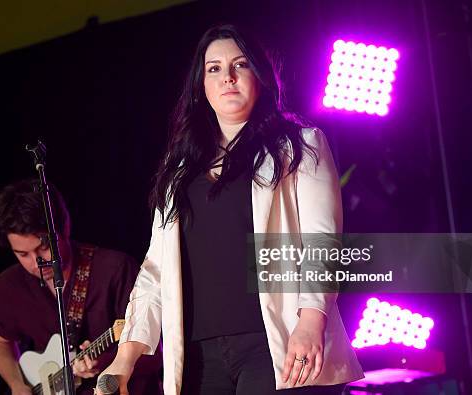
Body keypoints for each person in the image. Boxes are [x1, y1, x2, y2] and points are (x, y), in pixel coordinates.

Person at [96, 24, 364, 395]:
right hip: (199, 358)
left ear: (261, 76)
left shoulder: (300, 146)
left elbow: (324, 243)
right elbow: (156, 269)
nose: (228, 78)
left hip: (274, 343)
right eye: (215, 69)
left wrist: (310, 323)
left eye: (240, 65)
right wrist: (124, 360)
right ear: (201, 86)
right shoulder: (179, 168)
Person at [0, 179, 162, 395]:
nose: (36, 262)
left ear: (65, 228)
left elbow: (159, 353)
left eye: (43, 248)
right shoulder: (11, 284)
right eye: (22, 254)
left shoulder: (114, 269)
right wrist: (16, 384)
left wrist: (107, 363)